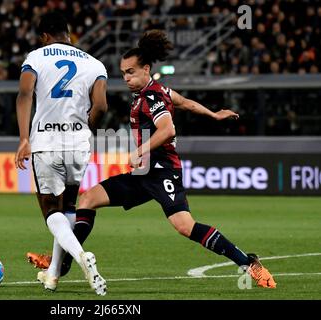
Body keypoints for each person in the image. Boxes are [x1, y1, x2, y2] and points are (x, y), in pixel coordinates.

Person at [28, 29, 276, 290]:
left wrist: (140, 150)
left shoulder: (152, 96)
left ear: (146, 69)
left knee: (184, 226)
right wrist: (213, 114)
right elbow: (184, 102)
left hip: (163, 172)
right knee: (88, 200)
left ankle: (249, 263)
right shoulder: (158, 91)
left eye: (131, 72)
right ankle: (60, 265)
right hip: (143, 174)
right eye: (123, 73)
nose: (126, 77)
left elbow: (168, 129)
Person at [15, 11, 108, 295]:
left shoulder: (36, 57)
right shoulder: (95, 64)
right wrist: (86, 127)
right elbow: (101, 106)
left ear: (44, 36)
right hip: (78, 145)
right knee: (69, 207)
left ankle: (81, 255)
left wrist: (22, 139)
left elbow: (25, 94)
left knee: (51, 212)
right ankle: (53, 274)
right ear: (68, 34)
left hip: (46, 142)